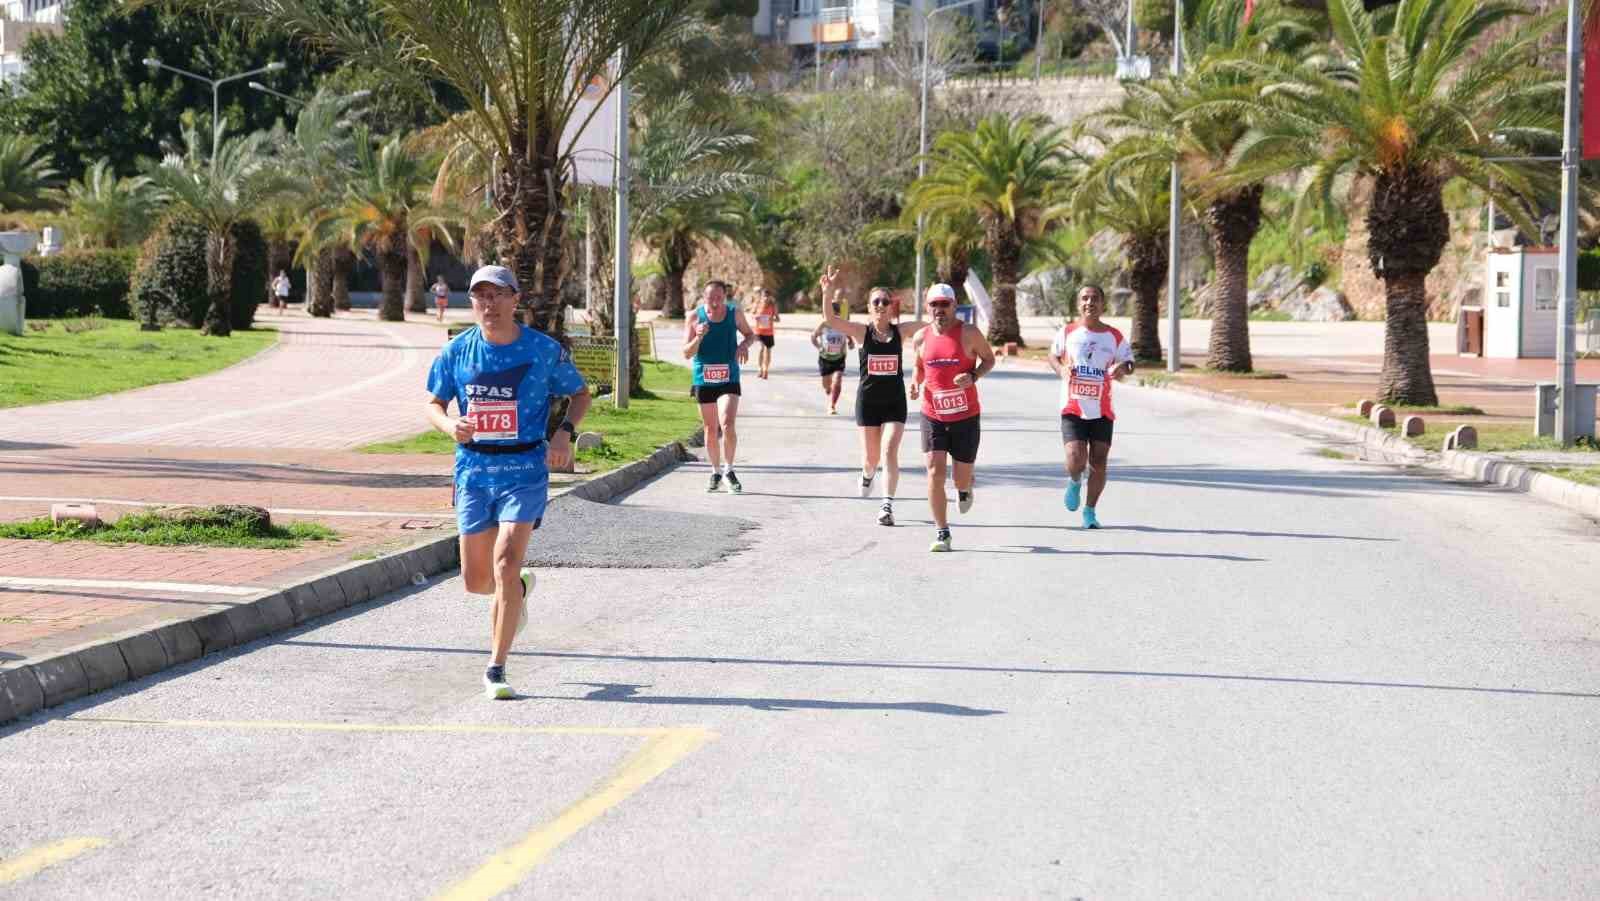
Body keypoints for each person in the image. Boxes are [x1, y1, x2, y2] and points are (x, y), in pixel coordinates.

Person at [425, 265, 592, 700]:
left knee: (504, 561)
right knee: (476, 581)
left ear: (515, 300)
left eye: (498, 295)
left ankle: (496, 667)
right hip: (474, 472)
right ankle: (516, 592)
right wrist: (449, 425)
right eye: (480, 296)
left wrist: (564, 433)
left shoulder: (542, 350)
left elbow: (580, 392)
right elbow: (433, 404)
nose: (488, 304)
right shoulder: (458, 351)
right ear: (472, 303)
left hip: (524, 470)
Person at [820, 268, 922, 526]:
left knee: (889, 451)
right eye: (876, 302)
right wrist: (828, 292)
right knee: (871, 459)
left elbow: (933, 326)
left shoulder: (901, 332)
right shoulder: (861, 333)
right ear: (869, 307)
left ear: (892, 308)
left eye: (885, 302)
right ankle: (867, 474)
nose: (881, 305)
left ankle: (886, 505)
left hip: (895, 403)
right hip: (868, 404)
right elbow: (831, 320)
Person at [911, 283, 995, 552]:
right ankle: (942, 532)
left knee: (960, 477)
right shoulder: (921, 337)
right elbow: (918, 367)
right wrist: (915, 382)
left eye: (944, 305)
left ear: (954, 306)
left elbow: (989, 359)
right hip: (932, 413)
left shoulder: (969, 334)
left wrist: (973, 376)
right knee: (934, 471)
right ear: (928, 307)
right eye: (933, 305)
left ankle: (964, 488)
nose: (939, 310)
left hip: (965, 416)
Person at [1048, 283, 1134, 530]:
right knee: (1075, 457)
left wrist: (1123, 368)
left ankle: (1090, 511)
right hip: (1073, 406)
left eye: (1094, 298)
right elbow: (1052, 356)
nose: (1089, 302)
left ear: (1102, 304)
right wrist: (1061, 368)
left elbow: (1129, 363)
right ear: (1078, 304)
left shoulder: (1114, 336)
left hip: (1102, 409)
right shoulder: (1067, 332)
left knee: (1099, 461)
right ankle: (1075, 480)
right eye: (1085, 298)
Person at [684, 280, 757, 494]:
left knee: (727, 423)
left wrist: (744, 344)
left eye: (719, 298)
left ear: (724, 297)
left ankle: (729, 470)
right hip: (703, 378)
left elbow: (751, 335)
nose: (715, 302)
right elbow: (686, 353)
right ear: (703, 297)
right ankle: (715, 471)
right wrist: (698, 336)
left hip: (728, 377)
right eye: (710, 298)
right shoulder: (694, 317)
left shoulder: (734, 314)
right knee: (710, 428)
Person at [812, 302, 855, 415]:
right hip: (825, 358)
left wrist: (851, 342)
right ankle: (828, 388)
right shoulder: (824, 324)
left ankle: (832, 405)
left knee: (838, 380)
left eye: (837, 314)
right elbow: (813, 336)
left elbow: (849, 335)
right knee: (826, 385)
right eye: (832, 314)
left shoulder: (842, 324)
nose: (835, 317)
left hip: (839, 358)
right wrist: (819, 347)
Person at [749, 287, 780, 379]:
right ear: (762, 296)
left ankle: (766, 369)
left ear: (770, 297)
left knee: (768, 349)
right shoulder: (758, 304)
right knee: (762, 348)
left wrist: (772, 318)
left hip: (769, 331)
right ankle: (760, 368)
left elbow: (778, 319)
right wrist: (756, 317)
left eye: (767, 296)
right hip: (759, 330)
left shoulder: (773, 306)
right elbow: (752, 315)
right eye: (764, 296)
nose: (766, 298)